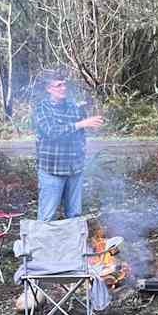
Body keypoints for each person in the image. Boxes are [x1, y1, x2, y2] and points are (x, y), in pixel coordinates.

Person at [32, 70, 104, 221]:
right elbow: (51, 132)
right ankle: (43, 244)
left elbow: (80, 131)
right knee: (47, 217)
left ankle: (72, 244)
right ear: (49, 89)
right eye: (58, 85)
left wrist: (91, 126)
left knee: (75, 216)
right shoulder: (42, 109)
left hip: (74, 170)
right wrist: (81, 124)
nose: (63, 88)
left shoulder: (73, 107)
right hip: (52, 170)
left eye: (64, 85)